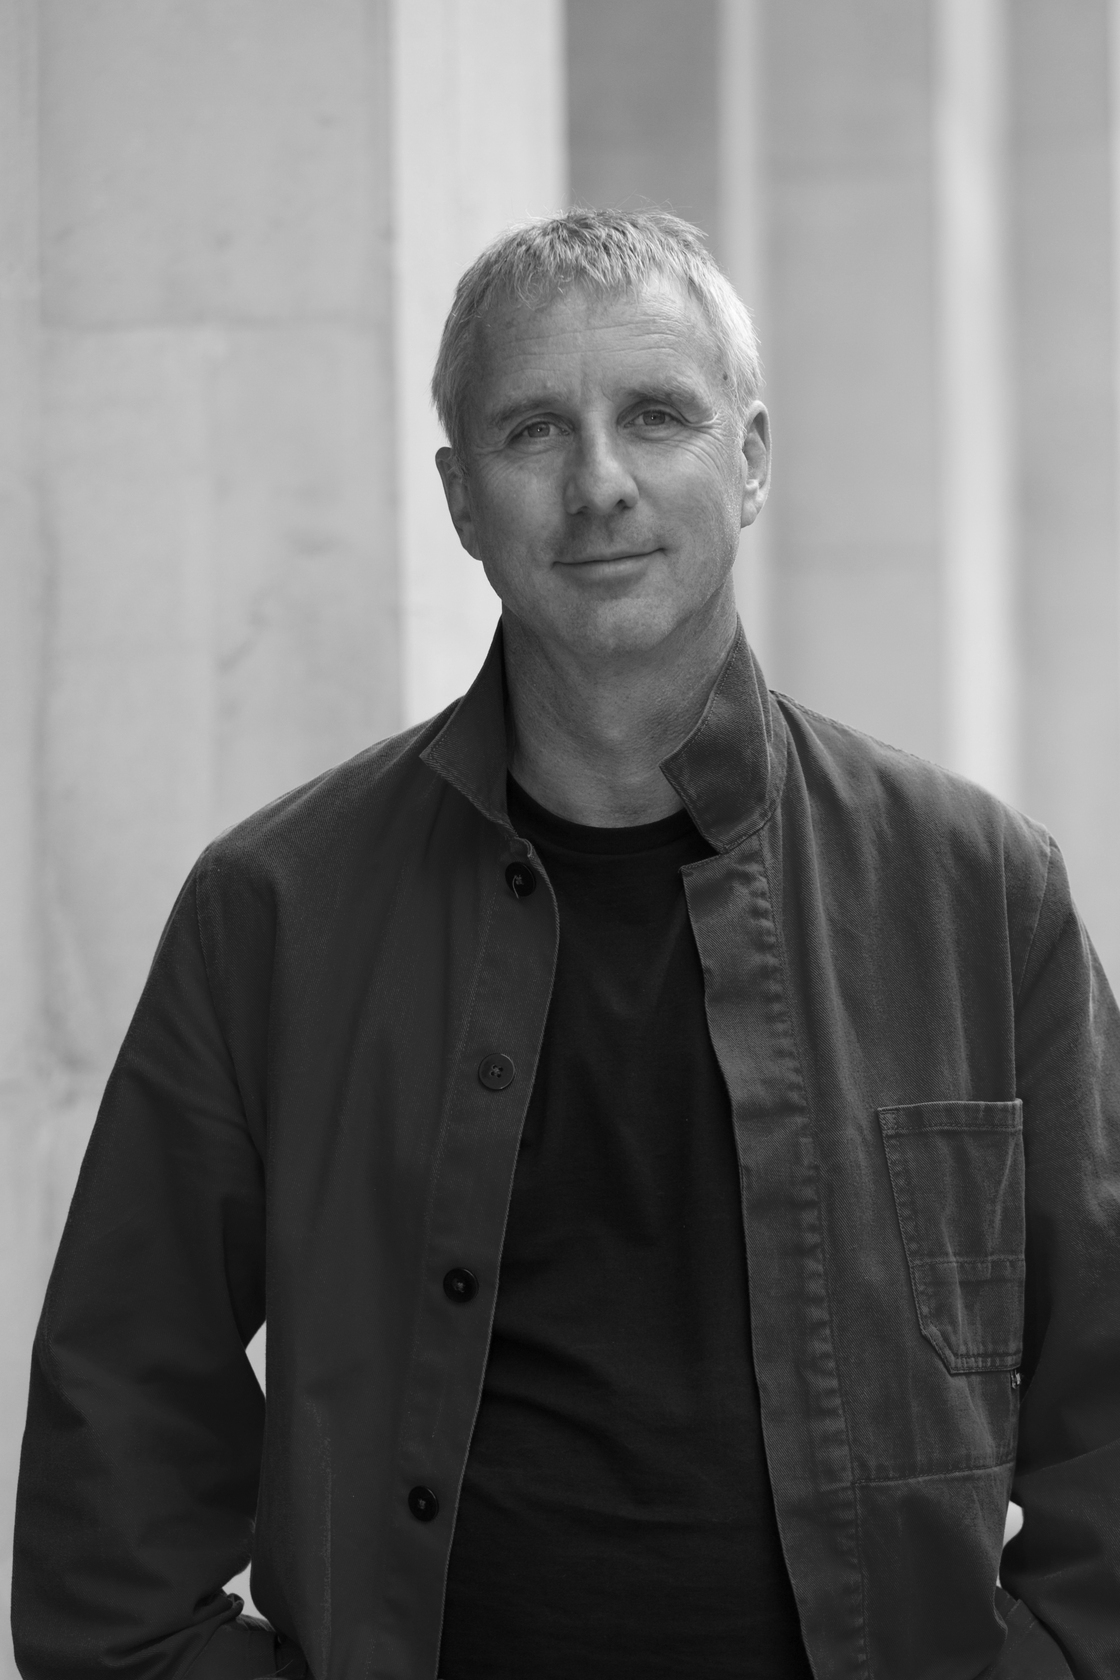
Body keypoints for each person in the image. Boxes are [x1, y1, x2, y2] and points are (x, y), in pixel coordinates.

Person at [11, 209, 1120, 1680]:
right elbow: (115, 1457)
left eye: (657, 415)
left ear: (753, 460)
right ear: (460, 500)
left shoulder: (977, 892)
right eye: (533, 430)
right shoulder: (273, 908)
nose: (600, 483)